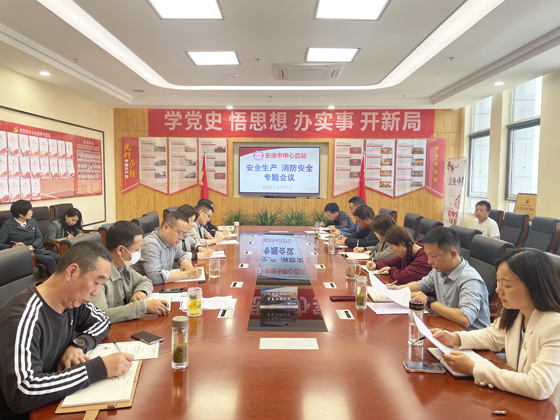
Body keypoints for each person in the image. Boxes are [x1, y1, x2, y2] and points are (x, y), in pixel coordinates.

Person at [0, 241, 134, 420]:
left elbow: (102, 321)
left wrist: (78, 344)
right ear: (71, 272)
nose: (96, 292)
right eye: (96, 282)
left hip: (56, 401)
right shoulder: (22, 317)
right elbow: (23, 391)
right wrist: (98, 369)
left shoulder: (72, 300)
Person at [433, 249, 560, 412]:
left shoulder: (554, 325)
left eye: (506, 285)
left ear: (535, 287)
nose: (498, 290)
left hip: (546, 411)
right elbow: (492, 336)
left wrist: (474, 368)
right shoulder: (518, 312)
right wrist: (455, 338)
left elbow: (539, 386)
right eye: (498, 281)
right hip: (521, 403)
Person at [391, 227, 490, 330]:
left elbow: (465, 318)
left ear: (452, 254)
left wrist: (429, 302)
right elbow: (421, 285)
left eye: (433, 256)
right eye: (428, 256)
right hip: (446, 327)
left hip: (468, 336)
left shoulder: (470, 280)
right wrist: (398, 289)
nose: (429, 262)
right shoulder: (440, 270)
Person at [91, 221, 170, 323]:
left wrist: (140, 292)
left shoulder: (123, 266)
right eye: (136, 250)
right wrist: (142, 307)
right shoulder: (98, 275)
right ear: (120, 250)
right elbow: (99, 315)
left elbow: (145, 281)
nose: (139, 253)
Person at [132, 211, 203, 285]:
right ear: (166, 227)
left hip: (163, 286)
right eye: (179, 233)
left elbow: (182, 254)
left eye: (184, 234)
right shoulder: (151, 244)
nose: (181, 238)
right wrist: (187, 275)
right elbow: (155, 277)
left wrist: (184, 260)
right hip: (145, 288)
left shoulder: (172, 241)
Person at [0, 199, 60, 275]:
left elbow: (39, 237)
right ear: (21, 215)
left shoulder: (32, 221)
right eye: (29, 210)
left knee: (58, 257)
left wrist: (33, 245)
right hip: (23, 254)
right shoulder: (8, 226)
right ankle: (55, 281)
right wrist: (12, 247)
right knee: (50, 260)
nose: (32, 212)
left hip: (37, 249)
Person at [366, 226, 431, 284]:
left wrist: (390, 270)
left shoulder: (425, 257)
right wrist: (376, 264)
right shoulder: (408, 250)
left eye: (392, 248)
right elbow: (394, 261)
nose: (393, 251)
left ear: (401, 243)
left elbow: (402, 278)